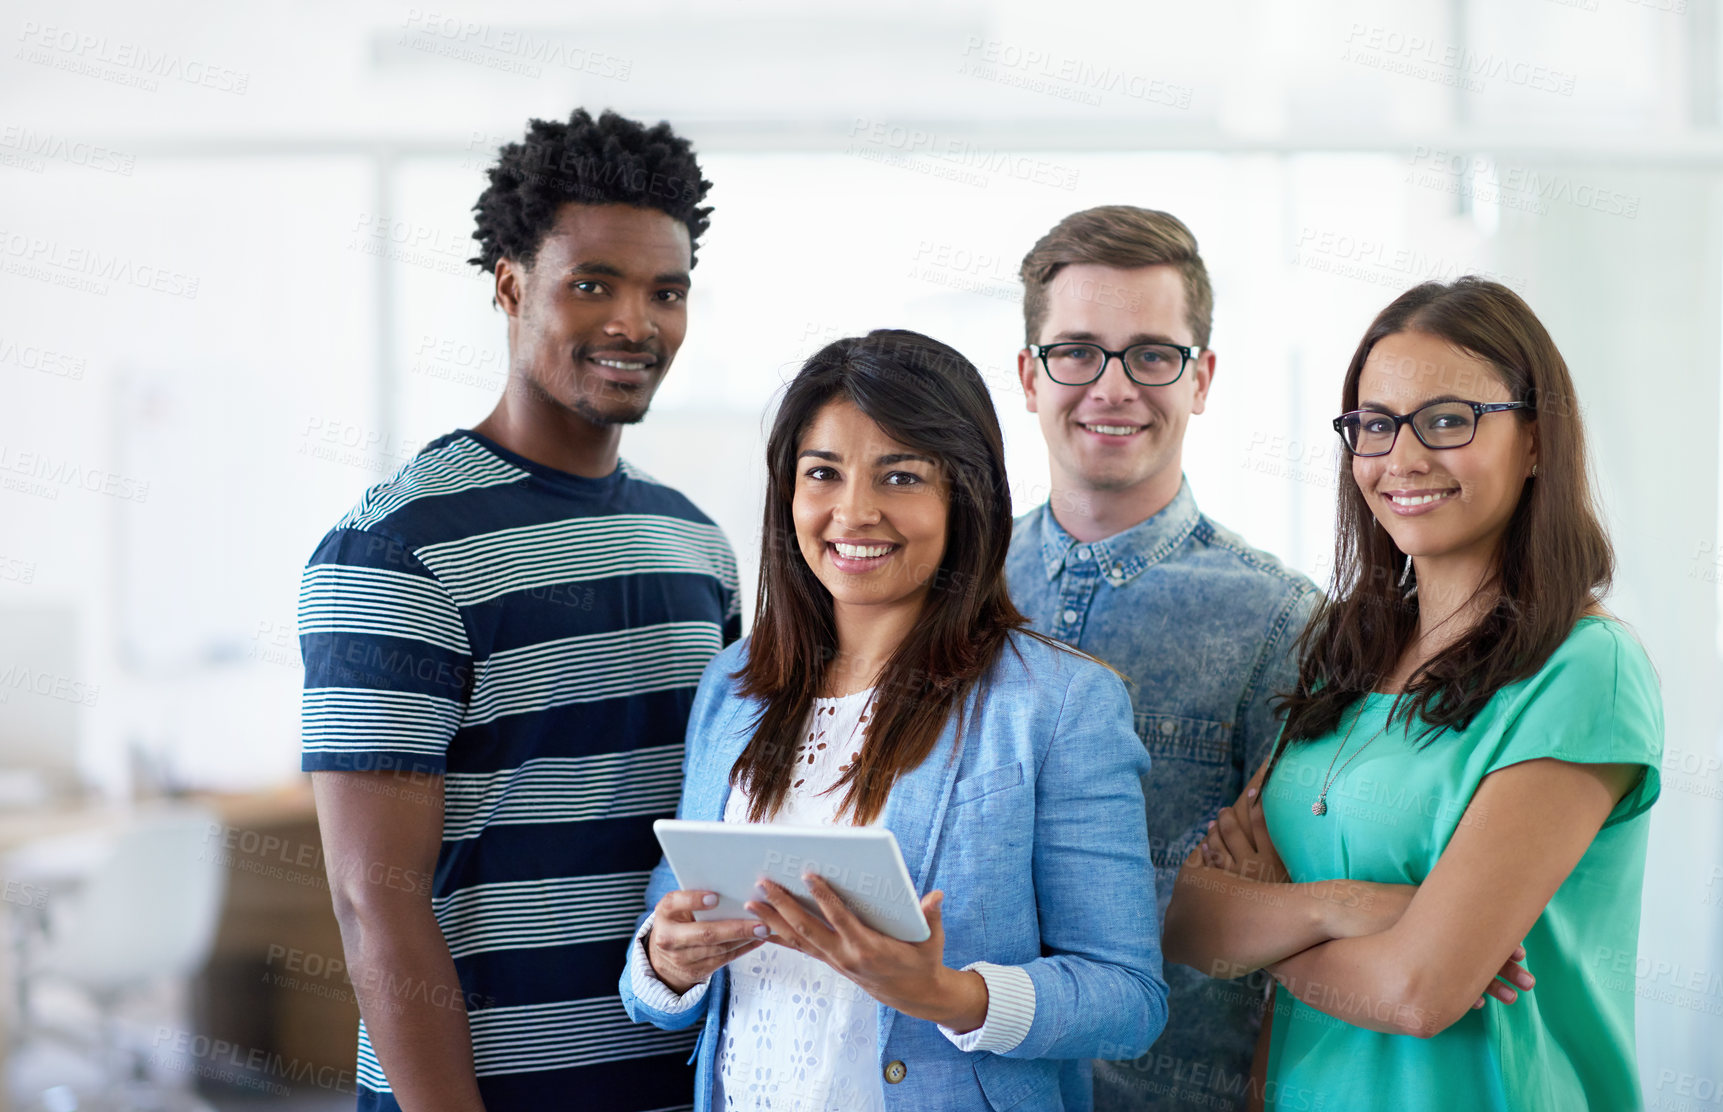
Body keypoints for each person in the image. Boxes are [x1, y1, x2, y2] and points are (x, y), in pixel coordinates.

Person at [299, 108, 737, 1111]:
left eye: (664, 292)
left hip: (682, 1077)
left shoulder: (699, 546)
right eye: (593, 284)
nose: (636, 321)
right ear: (509, 286)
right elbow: (374, 902)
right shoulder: (393, 548)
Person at [619, 329, 1168, 1111]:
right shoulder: (734, 686)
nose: (854, 512)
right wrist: (665, 963)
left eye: (900, 476)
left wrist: (947, 994)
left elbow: (1127, 1000)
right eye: (823, 474)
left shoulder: (1057, 704)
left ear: (964, 497)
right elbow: (657, 952)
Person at [1163, 277, 1663, 1110]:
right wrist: (1353, 907)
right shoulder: (1344, 655)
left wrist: (1269, 926)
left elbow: (1417, 993)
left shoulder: (1584, 670)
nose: (1403, 457)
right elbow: (1191, 923)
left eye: (1447, 420)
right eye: (1375, 425)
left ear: (1536, 439)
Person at [1003, 205, 1317, 1110]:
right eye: (1077, 352)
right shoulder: (948, 588)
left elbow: (1292, 925)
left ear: (1201, 377)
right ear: (1030, 375)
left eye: (1151, 353)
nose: (1112, 387)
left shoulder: (1281, 621)